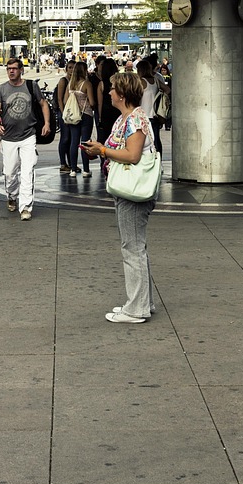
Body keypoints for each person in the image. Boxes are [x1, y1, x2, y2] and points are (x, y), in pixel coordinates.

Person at [83, 71, 158, 324]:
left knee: (132, 248)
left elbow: (133, 155)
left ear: (123, 94)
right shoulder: (126, 118)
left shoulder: (134, 120)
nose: (109, 92)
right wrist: (101, 151)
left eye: (113, 89)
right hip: (127, 188)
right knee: (137, 246)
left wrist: (103, 150)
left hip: (133, 191)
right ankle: (142, 302)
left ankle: (136, 309)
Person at [0, 57, 50, 221]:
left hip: (28, 135)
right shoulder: (1, 89)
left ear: (21, 70)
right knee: (10, 173)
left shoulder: (31, 86)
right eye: (8, 68)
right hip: (8, 137)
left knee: (27, 171)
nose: (11, 71)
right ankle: (11, 195)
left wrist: (47, 123)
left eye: (14, 68)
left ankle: (25, 207)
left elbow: (43, 103)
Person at [57, 60, 94, 174]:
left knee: (74, 142)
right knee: (85, 143)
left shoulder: (70, 85)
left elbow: (64, 100)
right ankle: (86, 170)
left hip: (73, 116)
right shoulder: (86, 84)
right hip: (86, 115)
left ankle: (73, 169)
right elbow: (92, 102)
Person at [136, 54, 169, 154]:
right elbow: (167, 89)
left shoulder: (141, 81)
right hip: (155, 115)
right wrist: (159, 96)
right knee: (156, 140)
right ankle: (158, 160)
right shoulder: (156, 80)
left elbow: (136, 97)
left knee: (143, 141)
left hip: (143, 115)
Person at [95, 55, 120, 144]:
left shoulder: (101, 84)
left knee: (106, 137)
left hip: (106, 113)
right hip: (118, 111)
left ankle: (106, 156)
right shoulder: (119, 82)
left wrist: (100, 118)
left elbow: (99, 103)